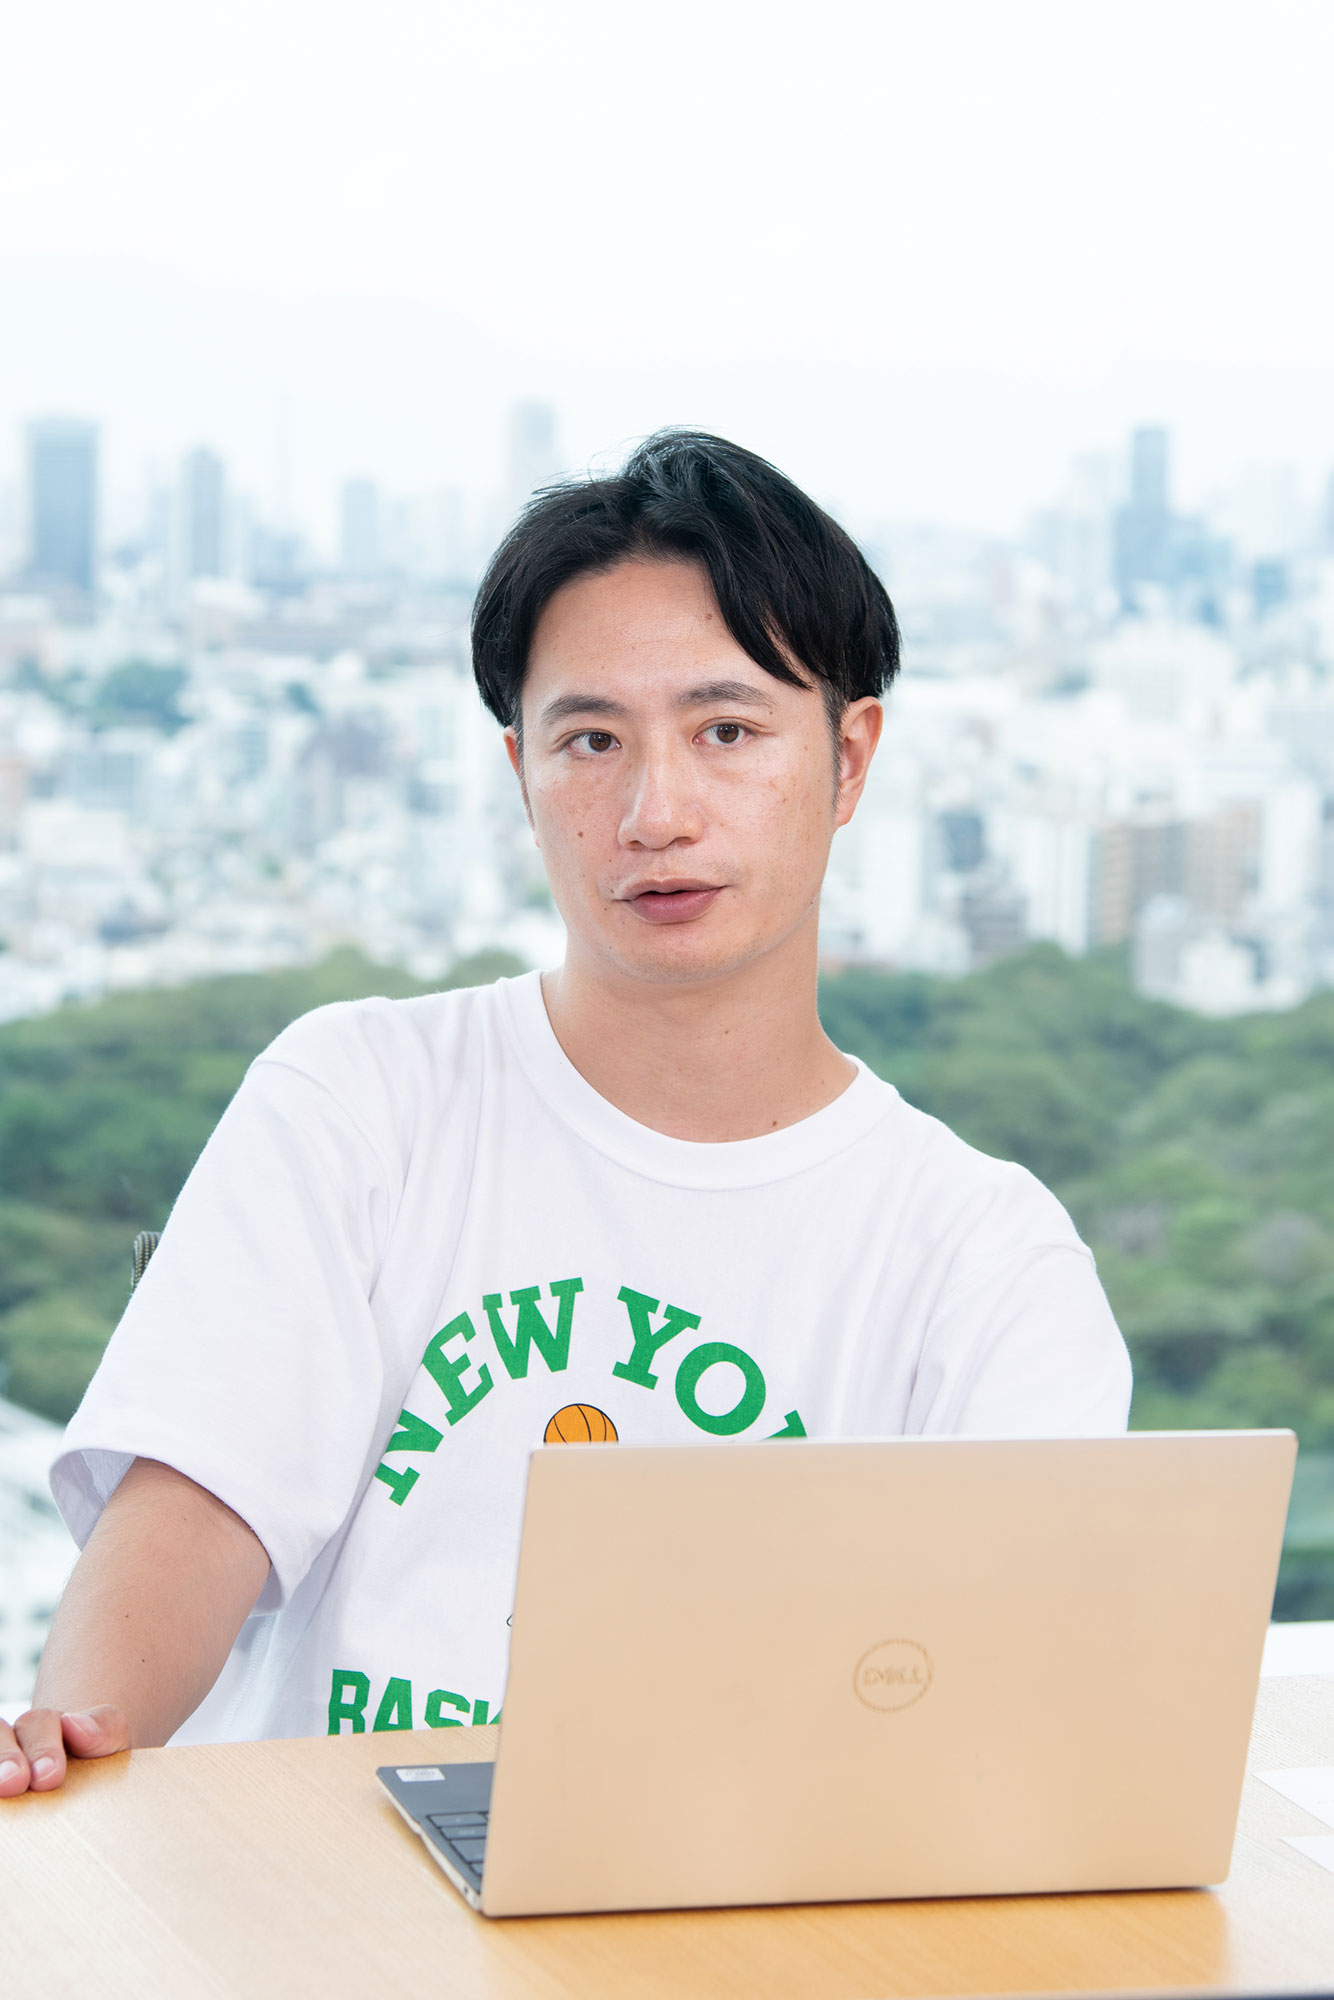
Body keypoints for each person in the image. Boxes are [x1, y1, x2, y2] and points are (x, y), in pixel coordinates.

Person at [0, 431, 1131, 1797]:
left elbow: (1001, 1721)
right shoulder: (358, 1099)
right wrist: (64, 1756)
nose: (654, 811)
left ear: (847, 760)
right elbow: (191, 1519)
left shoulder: (982, 1259)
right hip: (321, 1929)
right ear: (518, 776)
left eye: (726, 732)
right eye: (589, 740)